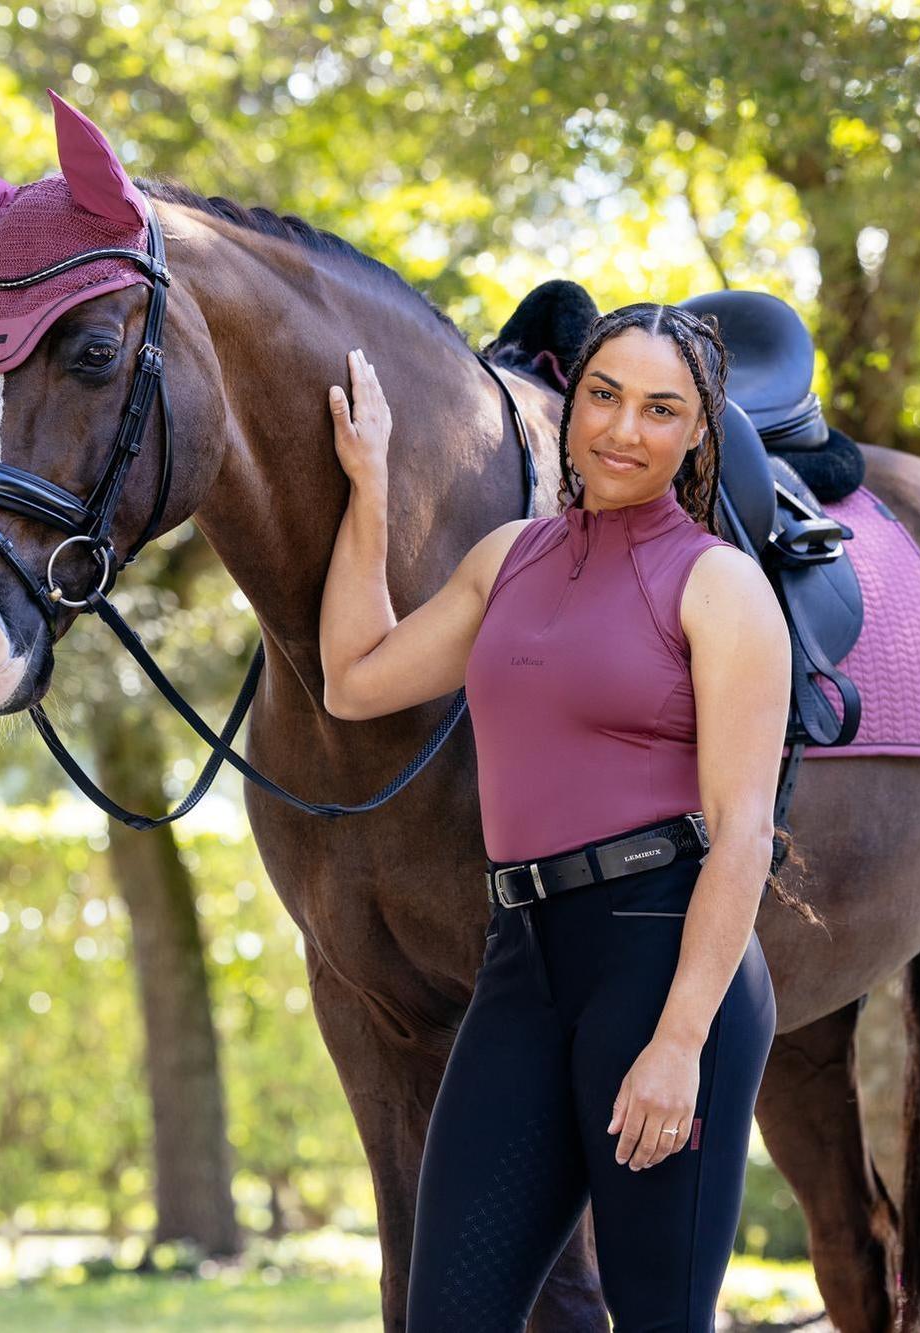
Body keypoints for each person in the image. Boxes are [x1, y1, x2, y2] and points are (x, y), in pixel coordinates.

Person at [318, 304, 792, 1331]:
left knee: (657, 1316)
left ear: (699, 432)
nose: (623, 431)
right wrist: (371, 490)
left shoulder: (720, 587)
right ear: (569, 400)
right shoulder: (507, 559)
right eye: (604, 396)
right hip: (521, 961)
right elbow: (354, 680)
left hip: (661, 959)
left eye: (660, 409)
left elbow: (743, 831)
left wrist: (678, 1043)